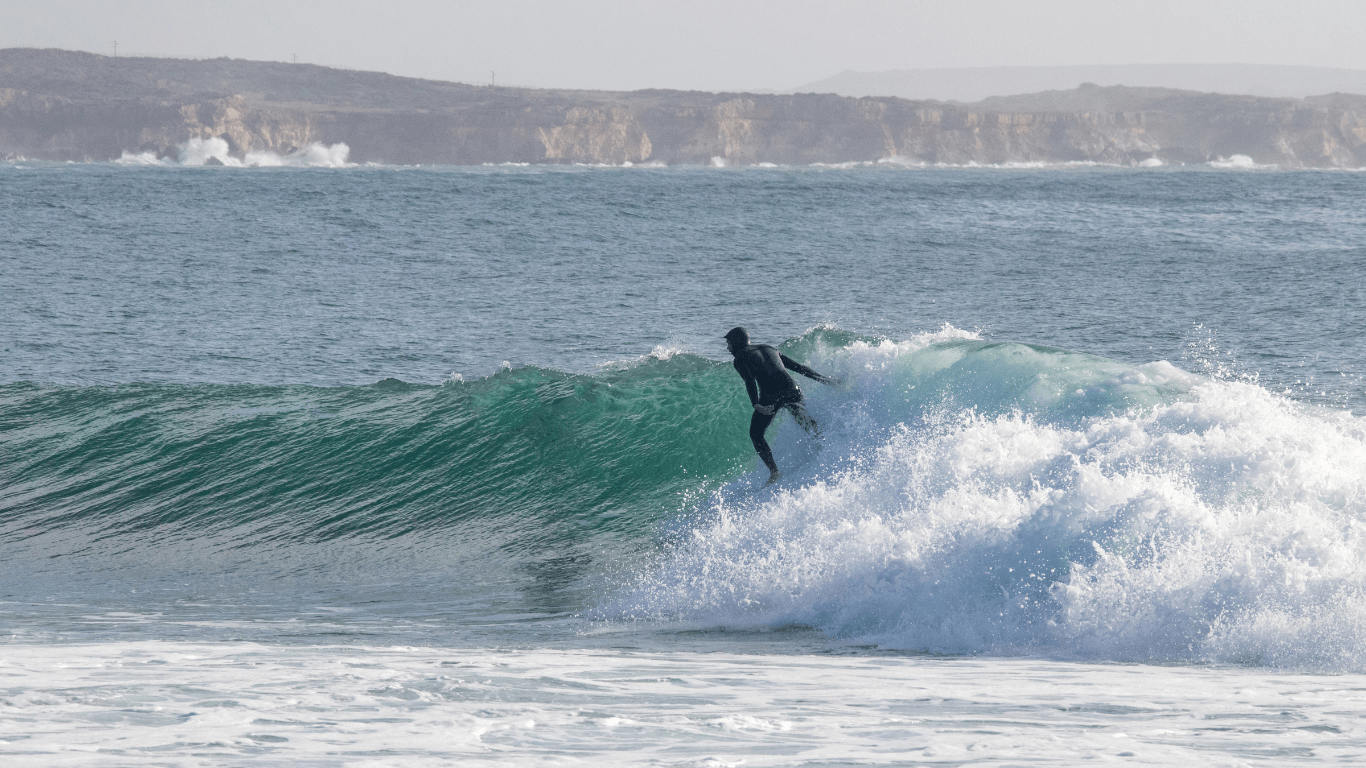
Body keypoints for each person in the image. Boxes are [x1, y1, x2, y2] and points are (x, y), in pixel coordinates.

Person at [725, 326, 836, 483]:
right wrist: (825, 380)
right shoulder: (769, 348)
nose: (727, 348)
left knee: (756, 434)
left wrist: (756, 404)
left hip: (771, 395)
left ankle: (774, 473)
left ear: (736, 342)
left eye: (728, 343)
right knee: (806, 423)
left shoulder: (740, 358)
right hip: (792, 389)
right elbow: (799, 368)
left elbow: (749, 381)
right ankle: (828, 446)